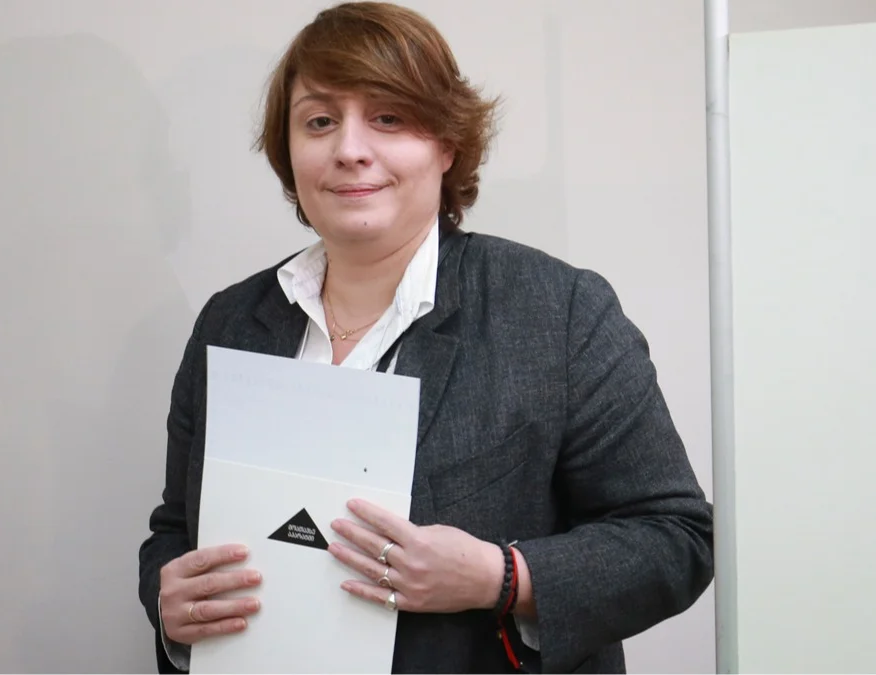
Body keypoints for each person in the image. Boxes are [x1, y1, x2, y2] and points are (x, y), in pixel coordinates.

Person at [137, 2, 714, 673]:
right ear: (288, 152)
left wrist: (502, 577)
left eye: (388, 117)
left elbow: (676, 537)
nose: (349, 149)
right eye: (319, 121)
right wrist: (170, 604)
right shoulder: (230, 321)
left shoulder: (558, 311)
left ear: (446, 143)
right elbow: (176, 527)